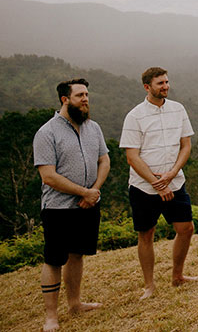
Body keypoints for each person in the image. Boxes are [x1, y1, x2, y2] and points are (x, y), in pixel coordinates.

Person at [33, 79, 110, 331]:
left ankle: (75, 304)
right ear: (65, 99)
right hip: (58, 208)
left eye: (87, 94)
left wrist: (94, 191)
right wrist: (83, 192)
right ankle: (51, 317)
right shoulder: (47, 133)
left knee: (77, 255)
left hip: (88, 204)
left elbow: (104, 160)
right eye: (79, 95)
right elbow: (48, 176)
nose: (85, 99)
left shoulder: (93, 128)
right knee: (55, 259)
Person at [119, 67, 198, 299]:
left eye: (166, 82)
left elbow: (186, 146)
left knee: (186, 228)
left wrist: (172, 174)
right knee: (146, 234)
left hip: (175, 181)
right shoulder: (134, 116)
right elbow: (132, 156)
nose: (165, 86)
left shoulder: (178, 109)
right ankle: (149, 286)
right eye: (160, 83)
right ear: (147, 87)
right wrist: (157, 183)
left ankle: (177, 276)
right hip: (144, 187)